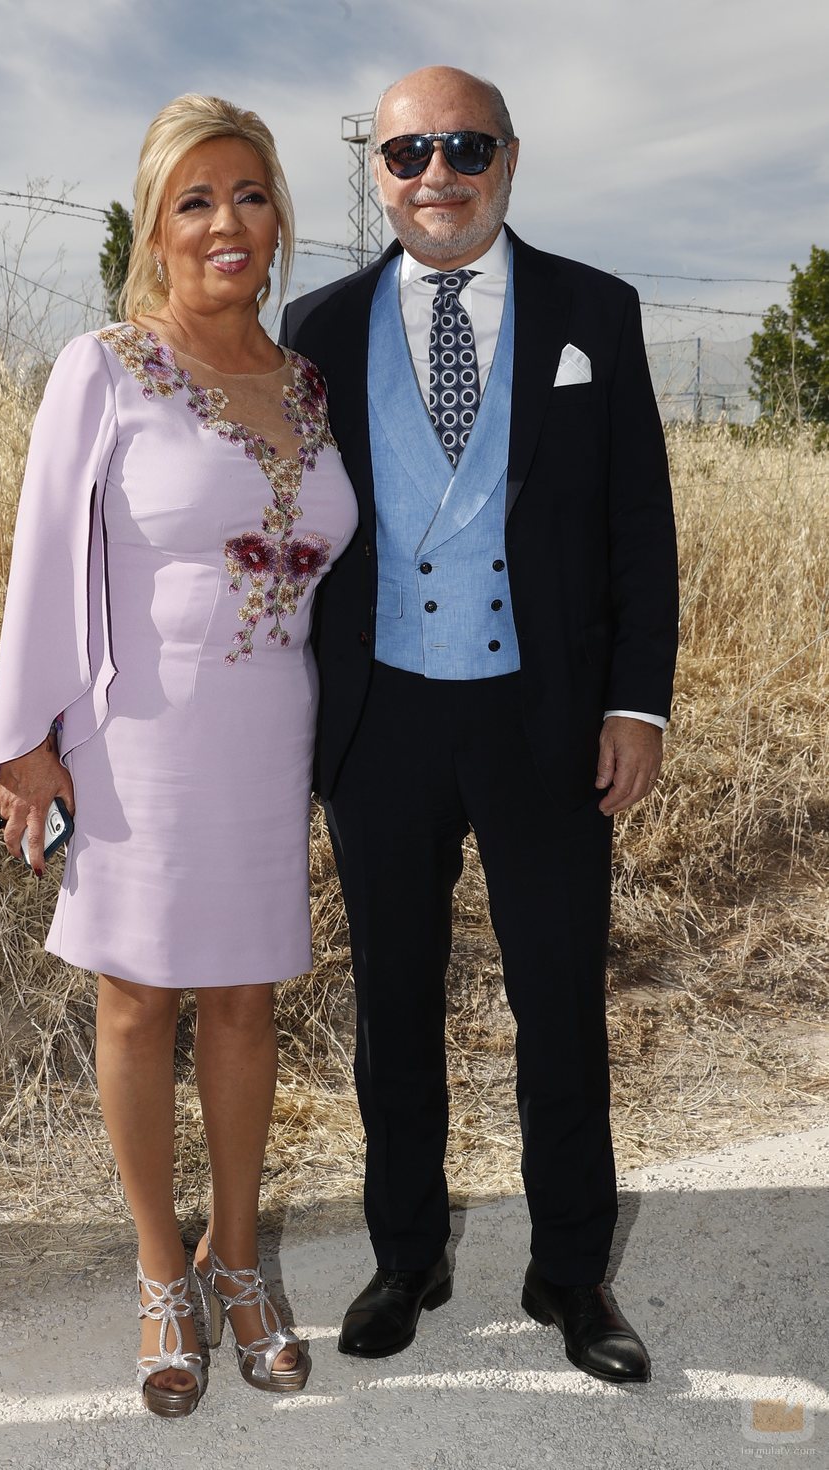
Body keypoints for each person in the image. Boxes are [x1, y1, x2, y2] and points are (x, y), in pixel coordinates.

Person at [280, 65, 679, 1384]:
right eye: (407, 154)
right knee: (393, 1005)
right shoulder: (316, 327)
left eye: (463, 147)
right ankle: (407, 1256)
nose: (435, 174)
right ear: (377, 170)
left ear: (508, 157)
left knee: (558, 997)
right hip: (381, 717)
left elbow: (637, 528)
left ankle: (572, 1274)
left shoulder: (593, 313)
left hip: (547, 717)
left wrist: (636, 701)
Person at [0, 94, 357, 1417]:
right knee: (138, 1000)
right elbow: (40, 561)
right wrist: (25, 740)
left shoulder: (307, 379)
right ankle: (160, 1268)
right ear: (154, 225)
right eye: (193, 200)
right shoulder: (104, 365)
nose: (225, 223)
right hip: (134, 736)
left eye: (248, 194)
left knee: (249, 1000)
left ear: (278, 215)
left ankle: (239, 1259)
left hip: (269, 732)